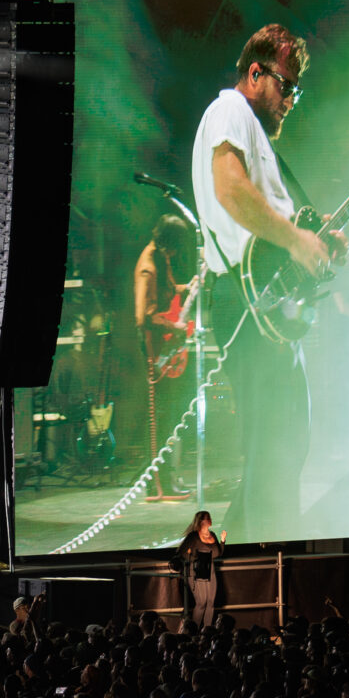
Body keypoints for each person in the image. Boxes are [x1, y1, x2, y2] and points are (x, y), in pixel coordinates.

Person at [189, 22, 345, 539]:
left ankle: (242, 562)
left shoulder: (254, 132)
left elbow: (268, 222)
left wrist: (315, 242)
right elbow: (230, 190)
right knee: (275, 446)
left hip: (263, 304)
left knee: (278, 446)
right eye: (286, 85)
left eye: (298, 90)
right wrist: (298, 242)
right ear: (255, 73)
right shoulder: (230, 111)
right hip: (246, 302)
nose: (292, 100)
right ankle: (262, 570)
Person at [133, 212, 201, 497]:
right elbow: (142, 316)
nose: (174, 253)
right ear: (166, 243)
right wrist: (174, 325)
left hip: (165, 343)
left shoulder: (162, 257)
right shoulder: (149, 266)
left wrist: (188, 287)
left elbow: (169, 290)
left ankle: (168, 476)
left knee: (172, 415)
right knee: (158, 418)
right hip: (154, 349)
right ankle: (157, 484)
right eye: (174, 247)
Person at [178, 509, 225, 629]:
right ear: (201, 521)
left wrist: (223, 541)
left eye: (210, 517)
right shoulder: (193, 536)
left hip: (211, 570)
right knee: (201, 602)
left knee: (210, 602)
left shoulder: (212, 535)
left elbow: (218, 553)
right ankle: (194, 630)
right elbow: (182, 553)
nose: (210, 520)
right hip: (196, 571)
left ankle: (207, 630)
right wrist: (195, 557)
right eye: (207, 518)